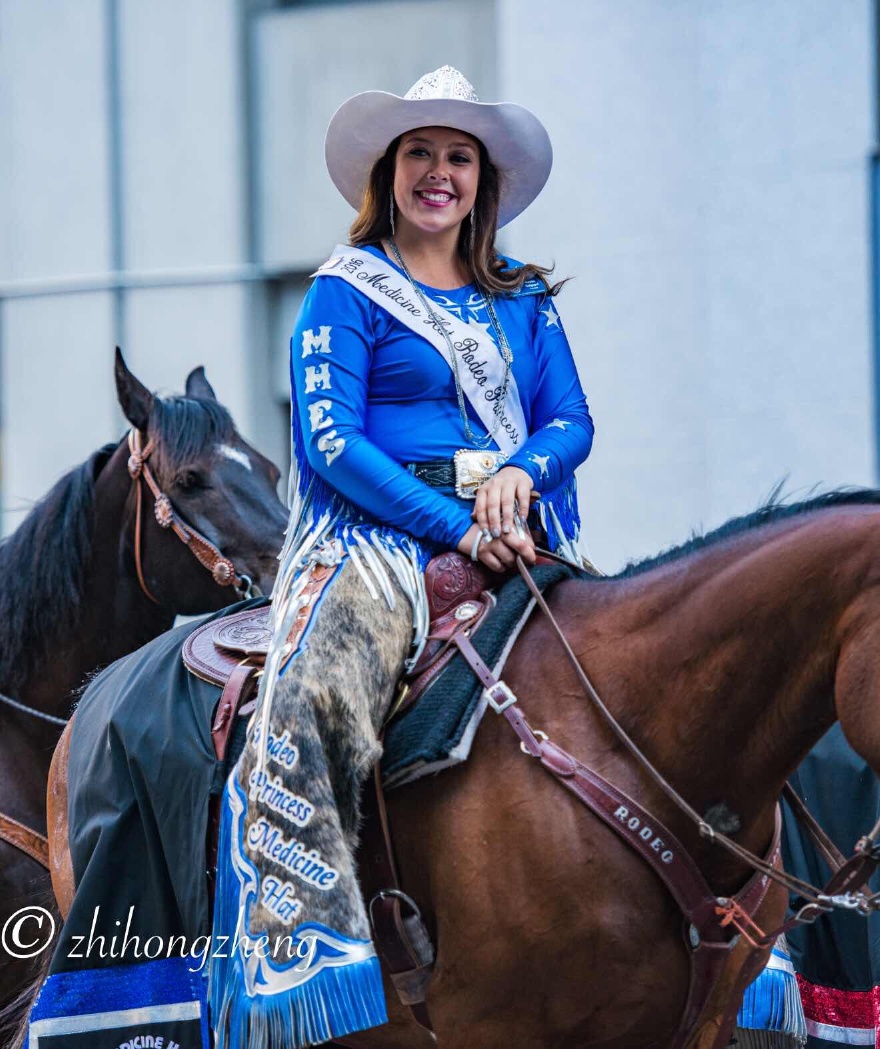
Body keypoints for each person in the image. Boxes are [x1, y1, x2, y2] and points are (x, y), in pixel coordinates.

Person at [208, 65, 593, 1049]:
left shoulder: (526, 298)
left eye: (457, 156)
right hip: (375, 534)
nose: (439, 172)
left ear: (481, 179)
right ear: (390, 172)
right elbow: (334, 445)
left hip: (516, 524)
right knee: (304, 707)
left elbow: (570, 420)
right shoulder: (345, 292)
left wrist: (522, 472)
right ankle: (306, 971)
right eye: (420, 152)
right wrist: (457, 523)